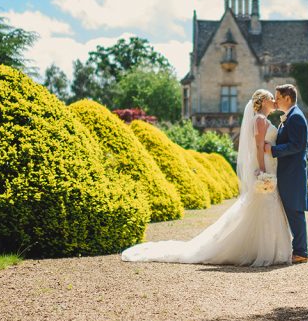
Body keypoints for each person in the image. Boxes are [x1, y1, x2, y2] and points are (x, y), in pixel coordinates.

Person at [120, 89, 293, 266]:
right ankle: (260, 250)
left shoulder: (262, 119)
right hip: (264, 165)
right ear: (263, 101)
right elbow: (257, 147)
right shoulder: (260, 119)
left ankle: (263, 249)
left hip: (269, 164)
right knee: (262, 204)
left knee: (264, 204)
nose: (274, 101)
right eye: (271, 98)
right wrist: (262, 170)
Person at [264, 83, 308, 263]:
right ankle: (298, 250)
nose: (275, 100)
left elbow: (298, 146)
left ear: (288, 98)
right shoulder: (289, 117)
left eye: (278, 97)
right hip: (288, 173)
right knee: (291, 211)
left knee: (295, 211)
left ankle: (301, 252)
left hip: (293, 174)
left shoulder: (296, 117)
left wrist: (273, 150)